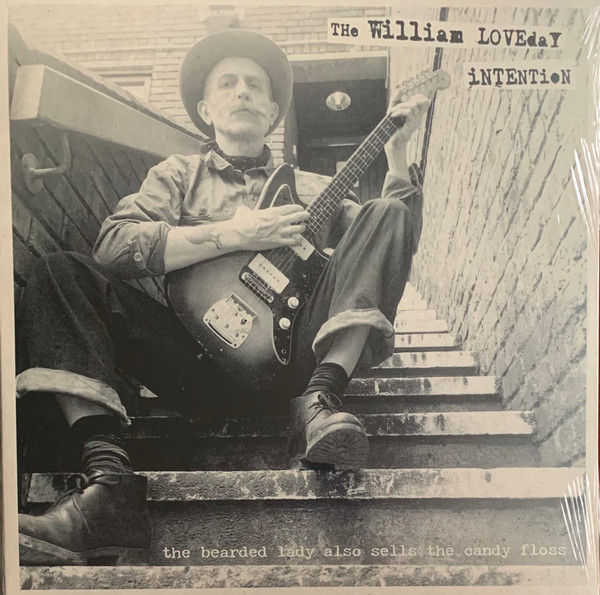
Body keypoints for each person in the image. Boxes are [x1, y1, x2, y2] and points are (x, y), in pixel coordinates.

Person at [16, 29, 430, 565]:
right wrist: (235, 234)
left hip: (292, 364)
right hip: (194, 365)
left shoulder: (313, 186)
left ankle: (322, 401)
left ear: (273, 112)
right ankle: (109, 487)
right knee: (59, 272)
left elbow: (389, 243)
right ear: (206, 110)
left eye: (255, 85)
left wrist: (396, 157)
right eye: (228, 83)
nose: (242, 91)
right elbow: (114, 245)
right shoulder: (176, 175)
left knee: (387, 211)